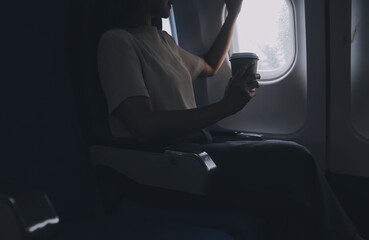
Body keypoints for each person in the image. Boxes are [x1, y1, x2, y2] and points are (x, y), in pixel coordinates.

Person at [96, 0, 364, 239]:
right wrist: (225, 106)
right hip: (172, 165)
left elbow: (210, 66)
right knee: (294, 159)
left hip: (197, 152)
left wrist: (233, 14)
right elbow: (143, 125)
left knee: (289, 200)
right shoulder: (117, 42)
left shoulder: (164, 41)